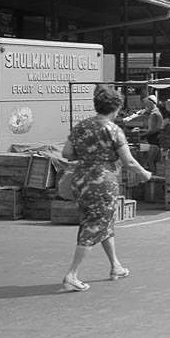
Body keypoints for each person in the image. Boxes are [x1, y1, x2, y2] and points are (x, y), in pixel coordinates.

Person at [61, 85, 152, 292]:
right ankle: (72, 275)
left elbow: (67, 153)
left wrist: (87, 155)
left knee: (104, 221)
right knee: (94, 224)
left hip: (81, 180)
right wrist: (144, 173)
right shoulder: (113, 130)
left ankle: (115, 266)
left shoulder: (81, 126)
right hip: (102, 183)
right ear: (116, 107)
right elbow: (128, 161)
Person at [121, 94, 163, 170]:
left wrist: (139, 133)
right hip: (138, 143)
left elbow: (151, 130)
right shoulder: (151, 112)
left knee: (154, 149)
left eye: (147, 104)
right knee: (153, 149)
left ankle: (148, 165)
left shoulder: (154, 114)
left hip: (150, 139)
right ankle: (148, 165)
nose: (145, 105)